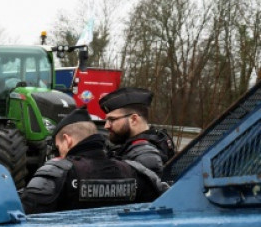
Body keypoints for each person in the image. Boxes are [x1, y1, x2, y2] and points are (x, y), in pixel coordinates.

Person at [19, 106, 167, 214]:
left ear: (67, 140)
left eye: (58, 147)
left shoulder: (58, 172)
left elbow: (26, 214)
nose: (60, 153)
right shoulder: (136, 171)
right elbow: (166, 206)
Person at [99, 87, 175, 177]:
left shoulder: (146, 157)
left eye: (112, 119)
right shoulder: (134, 146)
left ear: (134, 119)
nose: (106, 126)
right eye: (106, 120)